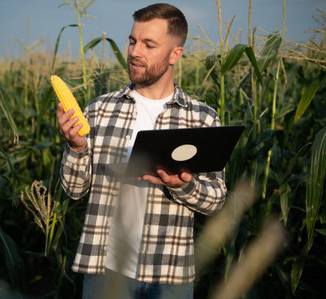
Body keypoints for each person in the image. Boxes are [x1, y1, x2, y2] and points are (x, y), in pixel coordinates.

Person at [57, 3, 226, 298]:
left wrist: (184, 185)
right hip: (106, 271)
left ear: (175, 54)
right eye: (133, 41)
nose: (135, 52)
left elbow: (216, 200)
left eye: (149, 45)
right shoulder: (99, 110)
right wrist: (76, 147)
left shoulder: (202, 118)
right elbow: (73, 190)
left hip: (169, 274)